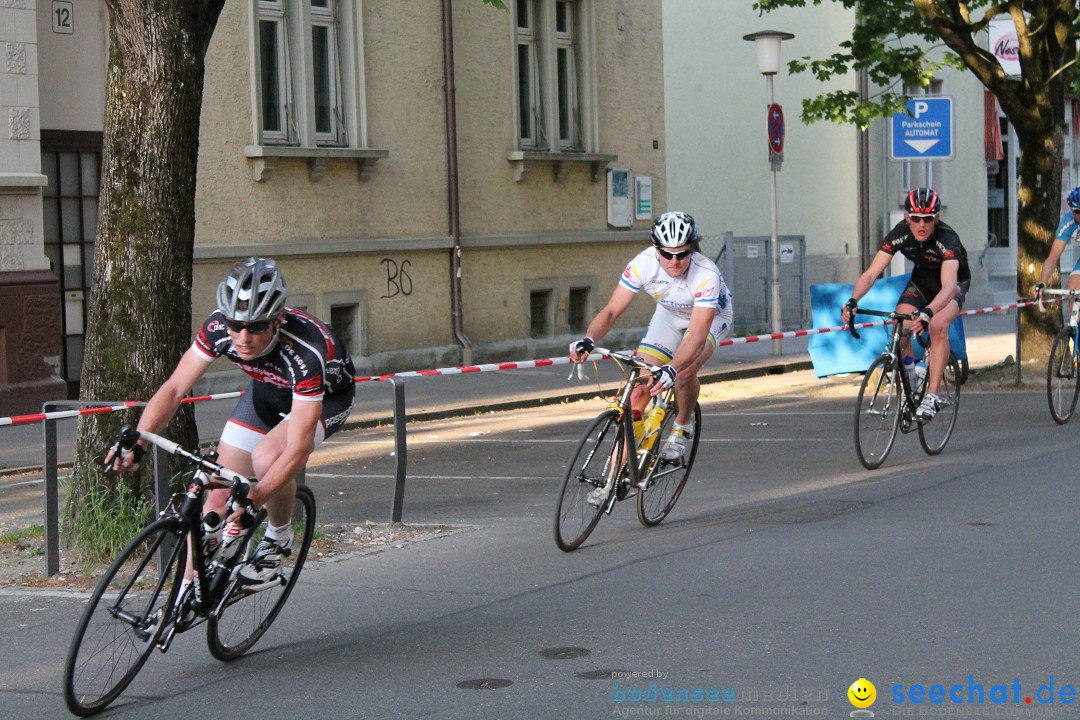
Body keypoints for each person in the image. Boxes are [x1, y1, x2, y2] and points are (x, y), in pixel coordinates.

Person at [109, 256, 355, 583]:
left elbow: (297, 449)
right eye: (235, 325)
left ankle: (278, 539)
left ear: (277, 320)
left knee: (268, 457)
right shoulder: (217, 328)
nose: (243, 337)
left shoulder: (306, 350)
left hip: (326, 398)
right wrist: (139, 442)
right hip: (267, 392)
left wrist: (256, 498)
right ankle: (181, 600)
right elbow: (173, 389)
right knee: (216, 491)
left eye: (256, 327)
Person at [569, 210, 733, 463]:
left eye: (682, 254)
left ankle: (681, 425)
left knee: (684, 373)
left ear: (693, 249)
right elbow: (612, 311)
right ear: (656, 249)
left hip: (709, 320)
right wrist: (589, 339)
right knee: (637, 390)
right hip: (668, 315)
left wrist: (672, 368)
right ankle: (614, 480)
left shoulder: (705, 273)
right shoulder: (642, 264)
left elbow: (698, 335)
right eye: (667, 254)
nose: (674, 261)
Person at [841, 187, 970, 420]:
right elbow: (871, 273)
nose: (921, 224)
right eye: (916, 218)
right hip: (922, 281)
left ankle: (932, 397)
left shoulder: (948, 239)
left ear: (937, 219)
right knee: (899, 331)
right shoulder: (900, 233)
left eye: (928, 219)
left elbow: (949, 286)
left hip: (952, 283)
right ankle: (912, 381)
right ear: (907, 217)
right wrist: (852, 300)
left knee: (938, 326)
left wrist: (928, 312)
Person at [1034, 186, 1080, 310]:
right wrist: (1042, 282)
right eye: (1075, 211)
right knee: (1073, 292)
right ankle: (1075, 326)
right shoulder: (1069, 222)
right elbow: (1052, 259)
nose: (1077, 215)